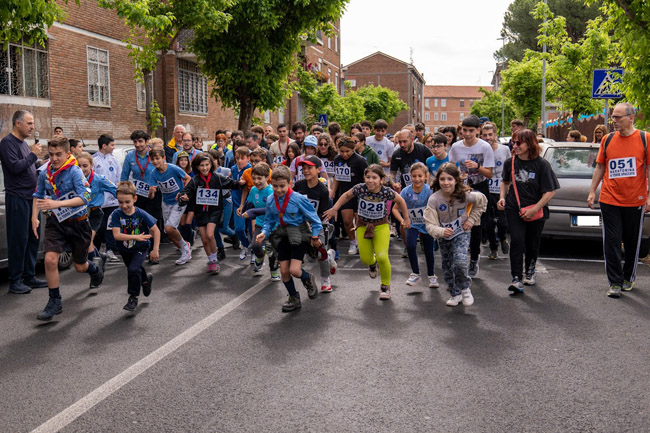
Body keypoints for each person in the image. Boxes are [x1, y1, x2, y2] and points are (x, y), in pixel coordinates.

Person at [31, 136, 104, 321]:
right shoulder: (44, 173)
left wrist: (55, 203)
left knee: (80, 266)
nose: (54, 158)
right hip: (55, 223)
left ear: (67, 153)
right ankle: (55, 301)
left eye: (58, 154)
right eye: (51, 154)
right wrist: (34, 218)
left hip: (78, 223)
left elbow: (84, 198)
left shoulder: (75, 172)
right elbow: (38, 196)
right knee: (49, 259)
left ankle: (94, 270)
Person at [587, 102, 649, 298]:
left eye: (618, 117)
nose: (613, 121)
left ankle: (627, 278)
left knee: (631, 242)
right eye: (612, 117)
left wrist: (649, 196)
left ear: (631, 118)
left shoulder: (645, 139)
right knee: (612, 241)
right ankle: (614, 282)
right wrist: (591, 191)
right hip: (609, 199)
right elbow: (600, 167)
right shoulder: (607, 140)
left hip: (635, 200)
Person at [325, 164, 410, 300]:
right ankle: (372, 264)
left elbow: (401, 200)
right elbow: (346, 196)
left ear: (382, 180)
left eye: (374, 178)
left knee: (382, 256)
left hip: (381, 225)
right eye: (368, 177)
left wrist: (406, 218)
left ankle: (385, 286)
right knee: (365, 259)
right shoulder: (360, 188)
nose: (370, 180)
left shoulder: (386, 191)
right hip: (363, 225)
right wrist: (335, 208)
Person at [498, 129, 559, 294]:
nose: (515, 146)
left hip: (535, 210)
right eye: (513, 142)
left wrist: (535, 209)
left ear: (530, 144)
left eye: (519, 143)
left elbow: (550, 191)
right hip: (514, 208)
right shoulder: (509, 162)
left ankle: (530, 269)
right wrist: (502, 197)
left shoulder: (542, 165)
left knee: (532, 243)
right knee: (517, 241)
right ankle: (516, 278)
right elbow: (504, 182)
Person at [255, 166, 321, 312]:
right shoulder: (271, 199)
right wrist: (264, 233)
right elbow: (269, 220)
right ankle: (294, 298)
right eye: (275, 186)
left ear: (290, 183)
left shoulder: (298, 199)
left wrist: (315, 235)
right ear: (271, 184)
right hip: (282, 235)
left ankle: (308, 278)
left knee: (295, 270)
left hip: (299, 234)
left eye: (282, 186)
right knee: (284, 271)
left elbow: (315, 220)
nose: (278, 190)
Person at [425, 163, 486, 306]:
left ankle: (465, 289)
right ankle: (455, 293)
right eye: (442, 179)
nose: (446, 183)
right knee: (447, 267)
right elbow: (429, 224)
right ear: (438, 181)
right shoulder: (434, 199)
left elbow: (482, 201)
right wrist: (441, 231)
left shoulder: (465, 195)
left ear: (456, 180)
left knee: (459, 261)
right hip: (444, 236)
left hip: (462, 233)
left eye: (449, 179)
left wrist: (471, 220)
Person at [0, 110, 47, 294]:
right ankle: (15, 281)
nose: (32, 127)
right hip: (18, 198)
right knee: (19, 240)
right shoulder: (6, 143)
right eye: (29, 123)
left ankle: (29, 275)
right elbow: (14, 167)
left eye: (33, 123)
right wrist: (33, 155)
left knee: (33, 238)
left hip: (32, 198)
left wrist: (38, 164)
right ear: (17, 123)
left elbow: (26, 166)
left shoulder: (24, 145)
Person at [178, 153, 243, 274]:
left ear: (211, 165)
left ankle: (214, 261)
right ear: (197, 167)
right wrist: (183, 197)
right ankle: (211, 259)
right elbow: (185, 192)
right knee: (204, 238)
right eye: (201, 165)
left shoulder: (217, 177)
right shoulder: (195, 181)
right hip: (200, 212)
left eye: (207, 165)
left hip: (214, 211)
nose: (204, 168)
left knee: (210, 234)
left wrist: (242, 182)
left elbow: (232, 183)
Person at [448, 115, 494, 277]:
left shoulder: (485, 147)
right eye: (464, 131)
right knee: (457, 224)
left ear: (478, 131)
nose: (467, 134)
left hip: (479, 188)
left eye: (471, 131)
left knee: (475, 226)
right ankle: (457, 259)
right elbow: (451, 169)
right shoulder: (455, 147)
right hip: (461, 188)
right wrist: (456, 178)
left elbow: (489, 174)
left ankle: (474, 259)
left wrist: (477, 166)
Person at [109, 181, 160, 312]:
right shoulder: (116, 214)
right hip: (124, 249)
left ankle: (133, 297)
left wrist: (155, 249)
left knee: (132, 269)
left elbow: (156, 230)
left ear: (135, 199)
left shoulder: (141, 213)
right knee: (135, 269)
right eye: (121, 202)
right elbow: (116, 235)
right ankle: (145, 279)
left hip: (140, 248)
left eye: (127, 202)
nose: (124, 206)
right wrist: (135, 237)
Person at [293, 156, 337, 292]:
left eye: (309, 168)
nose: (306, 171)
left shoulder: (322, 190)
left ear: (319, 170)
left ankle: (325, 279)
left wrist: (314, 230)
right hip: (301, 227)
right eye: (304, 168)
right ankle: (330, 255)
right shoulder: (299, 185)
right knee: (311, 259)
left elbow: (322, 214)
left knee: (320, 253)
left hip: (317, 226)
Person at [147, 148, 192, 265]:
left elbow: (188, 178)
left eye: (157, 158)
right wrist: (151, 191)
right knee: (169, 231)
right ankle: (184, 247)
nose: (155, 161)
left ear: (164, 158)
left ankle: (185, 247)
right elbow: (151, 197)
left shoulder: (173, 168)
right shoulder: (153, 174)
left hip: (179, 201)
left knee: (169, 227)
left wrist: (184, 192)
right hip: (166, 202)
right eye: (153, 159)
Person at [400, 163, 438, 288]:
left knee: (429, 250)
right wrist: (403, 220)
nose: (417, 179)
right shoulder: (405, 192)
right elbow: (395, 208)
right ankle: (415, 273)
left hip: (427, 224)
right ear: (410, 176)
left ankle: (432, 276)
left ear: (426, 176)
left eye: (420, 176)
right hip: (413, 224)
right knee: (410, 246)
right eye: (414, 176)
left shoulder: (430, 190)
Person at [76, 152, 116, 264]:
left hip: (94, 213)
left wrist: (124, 203)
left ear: (91, 165)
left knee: (88, 241)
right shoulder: (74, 179)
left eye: (85, 166)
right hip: (80, 214)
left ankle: (94, 266)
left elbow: (115, 190)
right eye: (78, 166)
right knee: (87, 242)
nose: (82, 169)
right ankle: (99, 259)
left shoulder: (99, 179)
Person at [331, 137, 368, 255]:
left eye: (347, 151)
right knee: (347, 221)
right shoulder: (337, 159)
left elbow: (366, 177)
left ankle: (363, 242)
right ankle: (353, 242)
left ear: (353, 149)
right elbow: (337, 176)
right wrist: (333, 190)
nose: (344, 154)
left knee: (360, 221)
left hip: (359, 194)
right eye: (342, 151)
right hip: (345, 194)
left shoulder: (360, 160)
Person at [241, 163, 277, 278]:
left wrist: (252, 212)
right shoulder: (253, 190)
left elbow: (269, 210)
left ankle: (274, 271)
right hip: (260, 223)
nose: (256, 181)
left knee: (272, 250)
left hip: (273, 225)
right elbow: (249, 202)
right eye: (254, 178)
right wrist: (243, 209)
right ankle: (260, 257)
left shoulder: (271, 191)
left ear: (267, 178)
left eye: (259, 178)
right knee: (255, 245)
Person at [481, 122, 511, 259]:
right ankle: (493, 248)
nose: (488, 138)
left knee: (502, 222)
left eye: (490, 135)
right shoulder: (480, 151)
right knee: (488, 223)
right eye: (485, 135)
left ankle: (503, 238)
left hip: (501, 191)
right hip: (486, 191)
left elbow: (510, 168)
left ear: (495, 135)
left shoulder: (504, 150)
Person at [93, 134, 121, 263]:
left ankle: (110, 249)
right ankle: (96, 250)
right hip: (98, 200)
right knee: (99, 226)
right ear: (104, 146)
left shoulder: (114, 160)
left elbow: (119, 178)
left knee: (111, 225)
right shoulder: (93, 160)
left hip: (113, 200)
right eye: (112, 145)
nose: (113, 147)